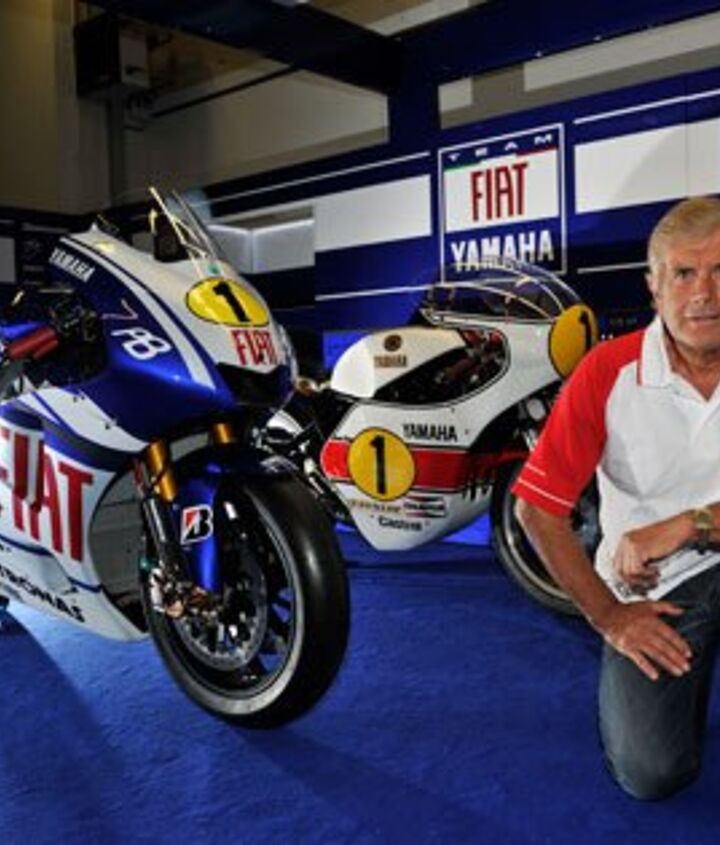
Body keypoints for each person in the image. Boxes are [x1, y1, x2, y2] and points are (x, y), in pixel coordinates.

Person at [513, 195, 720, 801]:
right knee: (651, 773)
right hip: (656, 586)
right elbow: (537, 510)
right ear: (654, 287)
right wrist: (610, 616)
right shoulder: (607, 371)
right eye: (684, 273)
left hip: (686, 545)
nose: (704, 293)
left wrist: (690, 523)